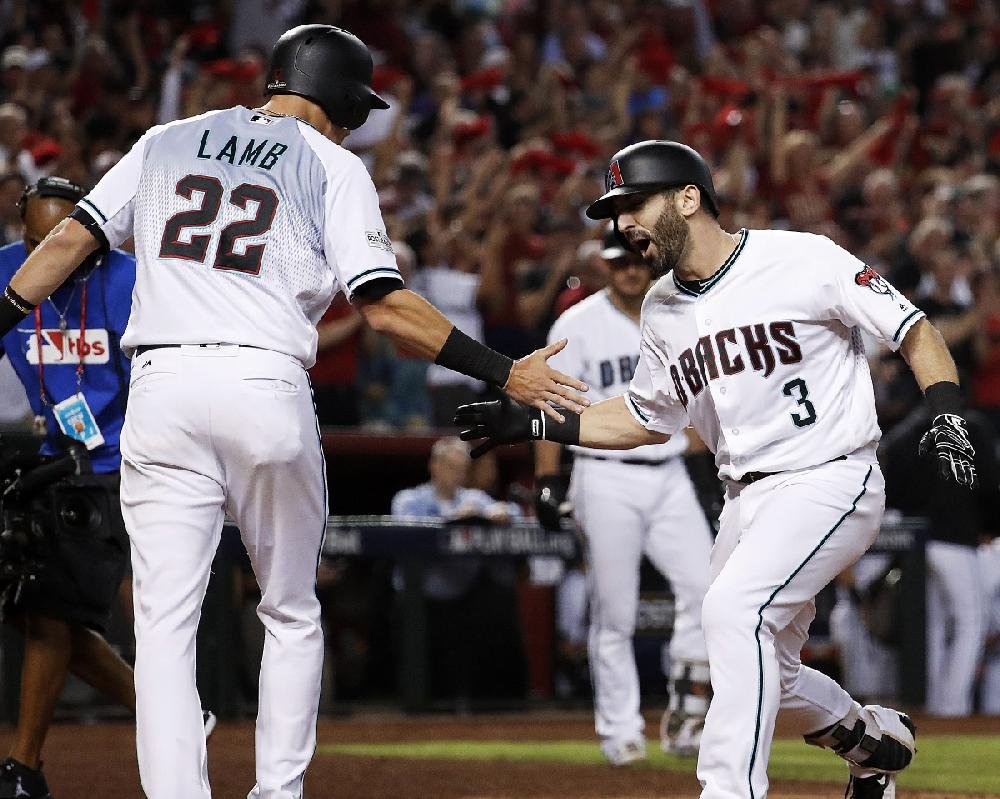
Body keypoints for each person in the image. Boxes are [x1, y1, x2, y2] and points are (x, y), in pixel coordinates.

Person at [0, 25, 587, 799]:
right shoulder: (333, 164)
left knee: (166, 629)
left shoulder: (165, 138)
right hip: (263, 384)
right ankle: (277, 794)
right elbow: (383, 306)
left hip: (163, 385)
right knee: (289, 608)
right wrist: (502, 369)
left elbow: (67, 244)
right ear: (341, 95)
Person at [456, 140, 978, 799]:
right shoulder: (661, 308)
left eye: (632, 205)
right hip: (745, 498)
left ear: (687, 197)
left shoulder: (800, 257)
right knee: (759, 666)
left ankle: (728, 791)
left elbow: (912, 328)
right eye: (614, 214)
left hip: (830, 476)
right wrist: (533, 423)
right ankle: (872, 740)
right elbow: (647, 419)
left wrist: (946, 412)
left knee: (736, 610)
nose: (621, 226)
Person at [0, 177, 217, 799]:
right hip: (51, 459)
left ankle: (23, 767)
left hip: (119, 463)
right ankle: (167, 711)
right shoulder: (7, 273)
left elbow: (165, 377)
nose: (49, 253)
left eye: (62, 239)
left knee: (46, 611)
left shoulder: (130, 279)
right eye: (37, 239)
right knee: (34, 608)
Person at [534, 226, 713, 765]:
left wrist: (701, 447)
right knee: (615, 612)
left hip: (667, 470)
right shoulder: (578, 323)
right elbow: (551, 403)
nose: (629, 270)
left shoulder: (677, 312)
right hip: (604, 472)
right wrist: (549, 478)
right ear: (603, 267)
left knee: (707, 592)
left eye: (636, 260)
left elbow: (701, 394)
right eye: (618, 262)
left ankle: (686, 714)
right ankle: (620, 732)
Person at [391, 437, 525, 707]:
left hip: (462, 600)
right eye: (451, 466)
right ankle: (412, 709)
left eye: (462, 468)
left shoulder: (473, 498)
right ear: (434, 466)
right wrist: (450, 520)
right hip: (419, 602)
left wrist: (500, 513)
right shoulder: (410, 499)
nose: (457, 474)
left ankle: (480, 703)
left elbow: (514, 513)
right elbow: (404, 528)